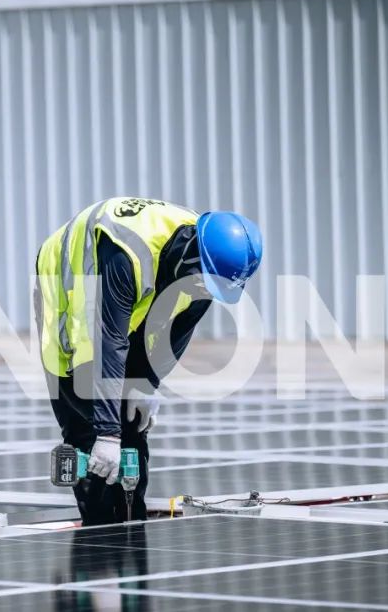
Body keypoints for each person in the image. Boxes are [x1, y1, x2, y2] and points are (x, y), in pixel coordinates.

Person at [35, 197, 262, 525]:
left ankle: (130, 525)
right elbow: (108, 340)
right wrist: (107, 435)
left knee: (132, 427)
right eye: (204, 281)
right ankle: (98, 530)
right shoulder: (127, 252)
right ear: (191, 256)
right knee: (87, 415)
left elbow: (176, 330)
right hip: (68, 279)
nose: (204, 290)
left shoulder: (210, 266)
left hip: (136, 295)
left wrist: (146, 383)